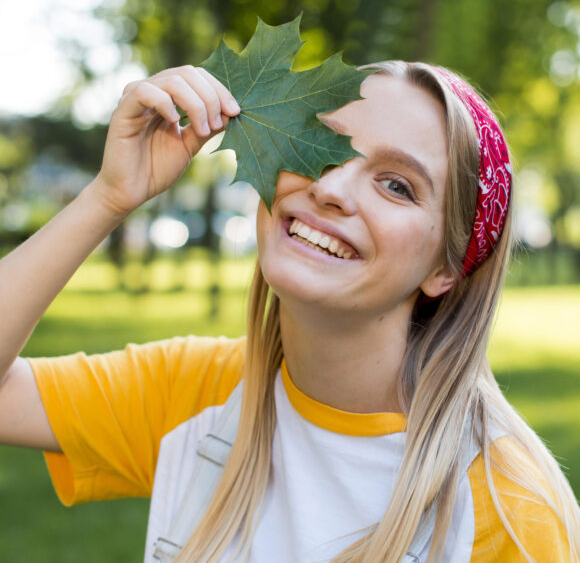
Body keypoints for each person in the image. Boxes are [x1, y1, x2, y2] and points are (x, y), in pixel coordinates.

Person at [0, 61, 578, 563]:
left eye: (397, 186)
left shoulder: (509, 509)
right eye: (324, 144)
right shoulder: (202, 394)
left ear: (446, 269)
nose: (333, 189)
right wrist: (109, 196)